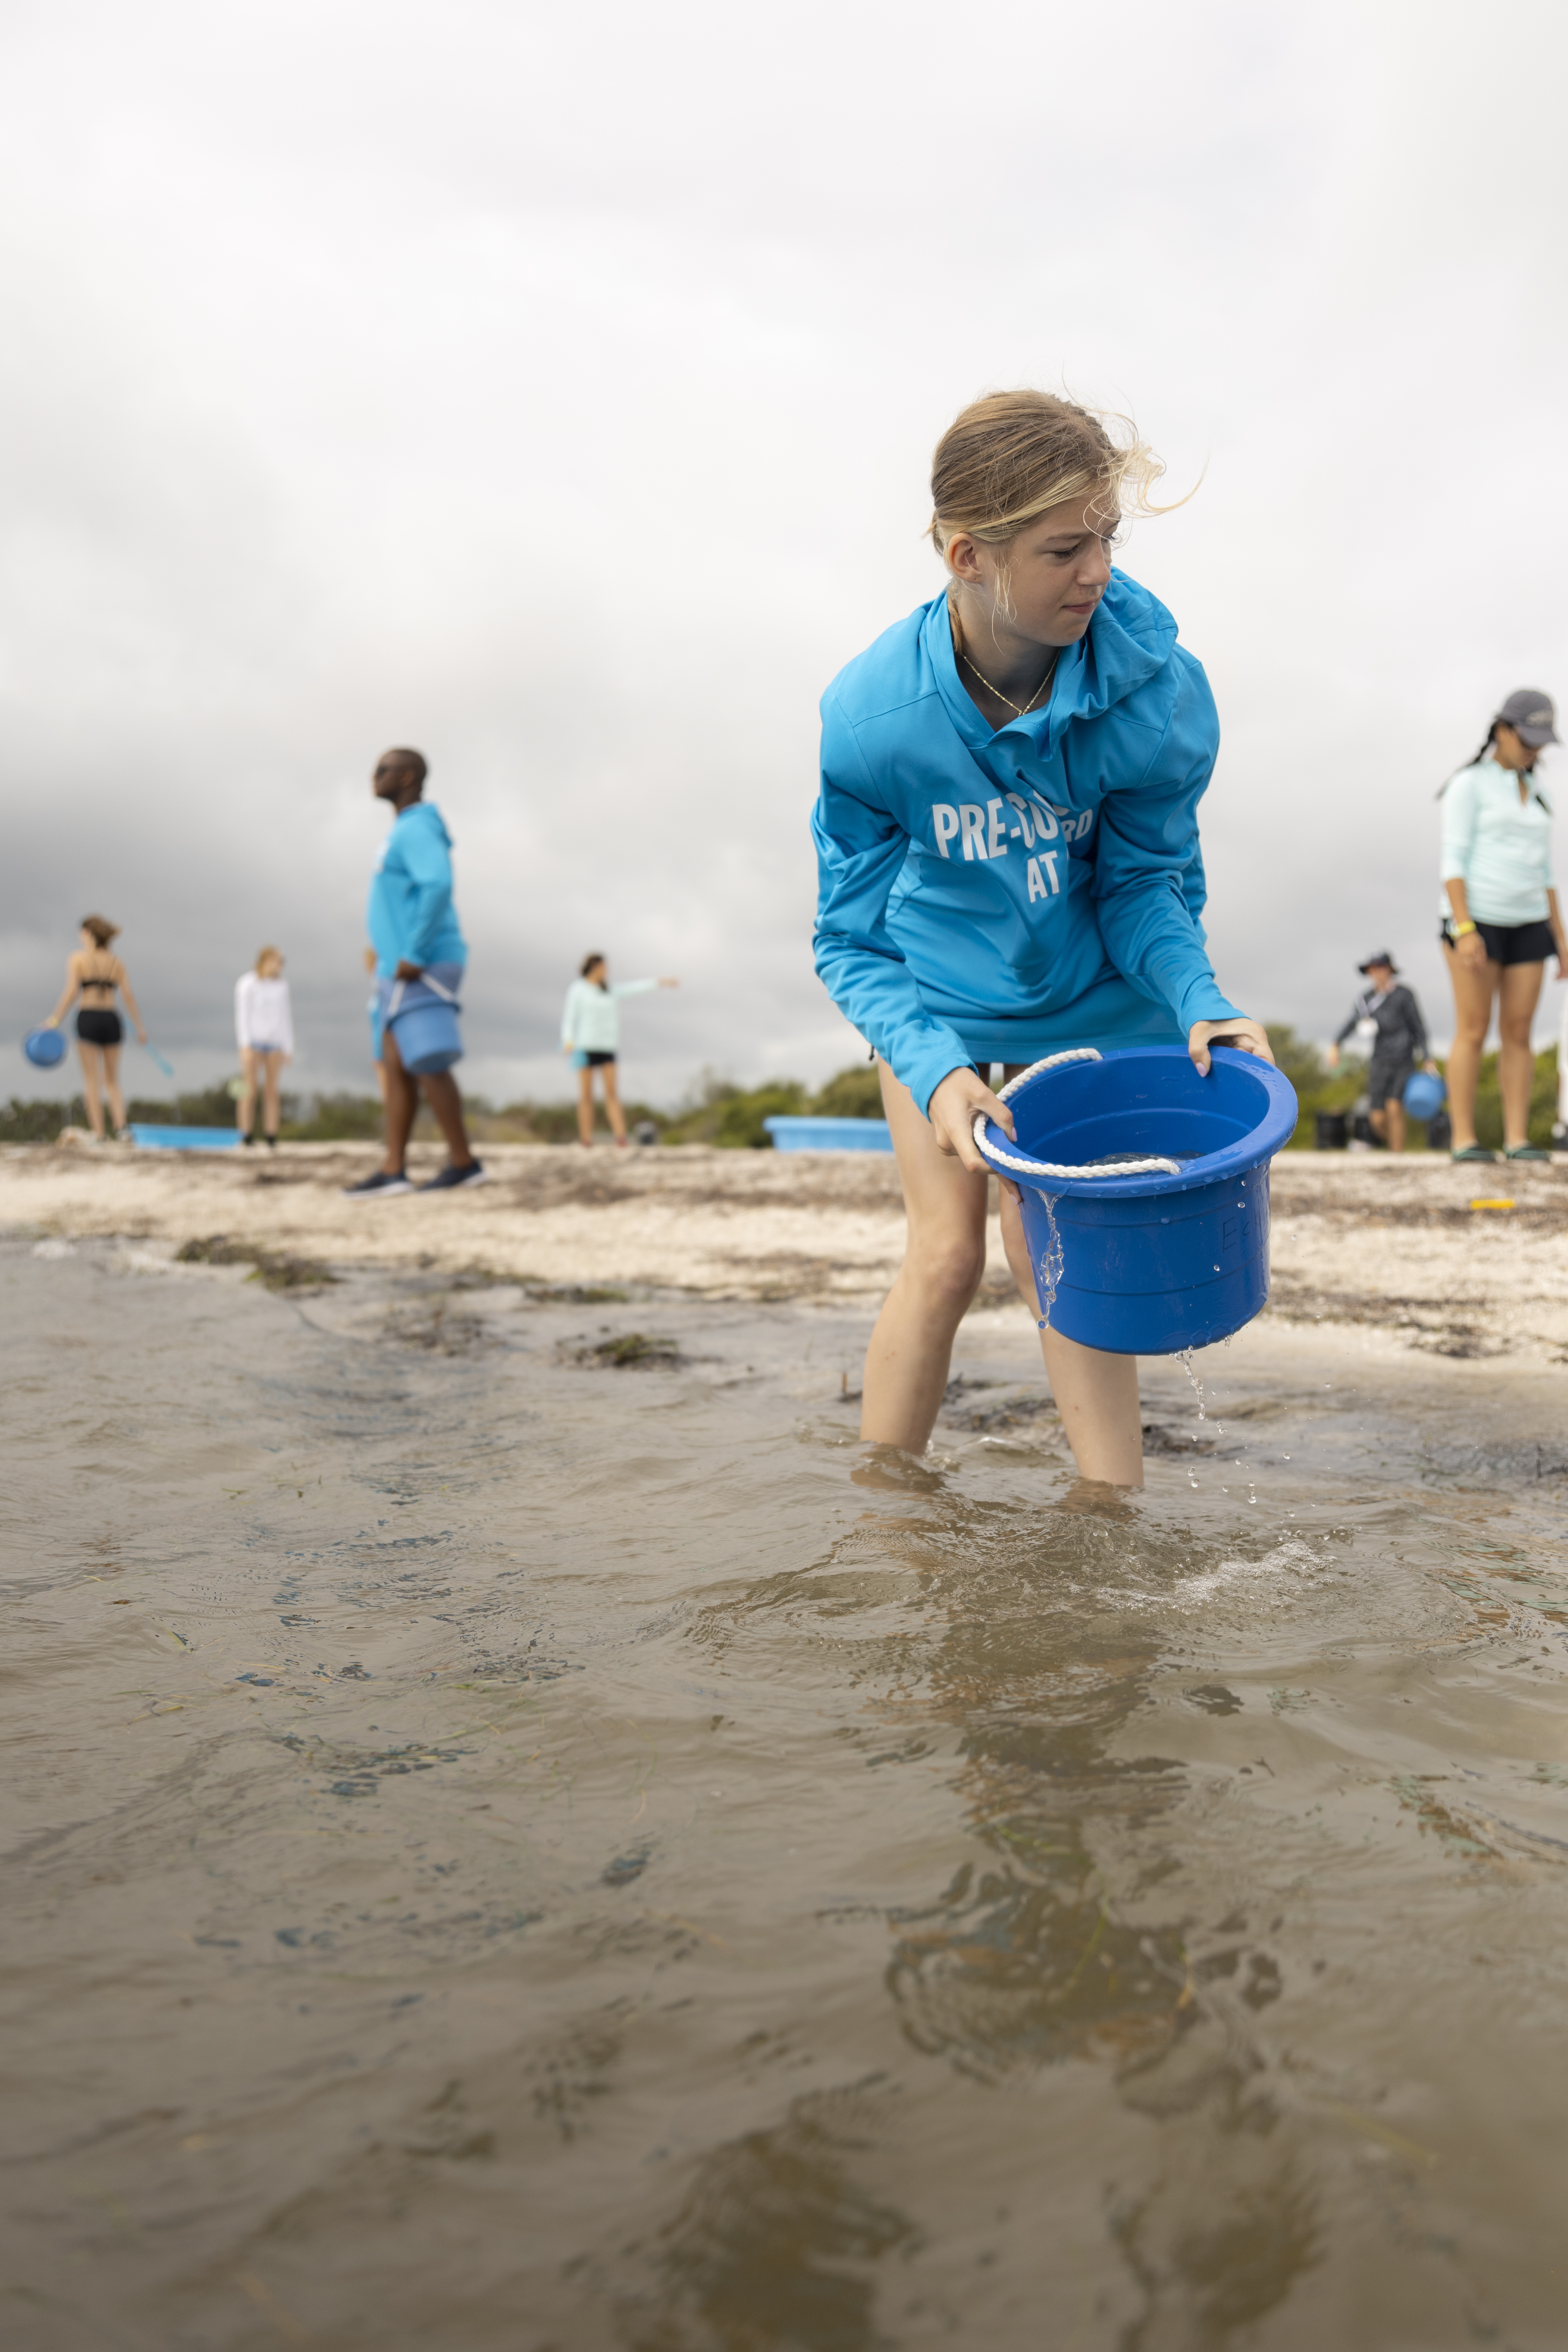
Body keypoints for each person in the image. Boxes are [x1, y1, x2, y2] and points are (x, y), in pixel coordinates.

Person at [812, 390, 1272, 1490]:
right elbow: (852, 943)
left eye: (1108, 538)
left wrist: (1197, 997)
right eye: (1067, 548)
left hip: (1100, 996)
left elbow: (1144, 885)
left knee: (1059, 1259)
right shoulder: (874, 724)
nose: (1100, 572)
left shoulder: (1156, 691)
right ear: (969, 555)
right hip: (941, 1004)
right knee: (947, 1255)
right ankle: (884, 1525)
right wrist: (936, 1073)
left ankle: (1109, 1524)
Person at [345, 747, 486, 1198]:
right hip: (398, 969)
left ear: (407, 778)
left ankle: (463, 1164)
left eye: (382, 770)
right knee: (397, 1061)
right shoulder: (403, 830)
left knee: (427, 1060)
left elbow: (438, 884)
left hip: (419, 965)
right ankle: (394, 1170)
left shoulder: (419, 827)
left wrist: (414, 950)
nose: (374, 776)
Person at [1438, 689, 1566, 1163]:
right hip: (1478, 919)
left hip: (1530, 921)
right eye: (1527, 739)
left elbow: (1546, 873)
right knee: (1473, 1029)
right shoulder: (1469, 784)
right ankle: (1464, 1139)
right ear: (1502, 731)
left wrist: (1561, 937)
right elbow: (1452, 859)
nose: (1534, 750)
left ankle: (1516, 1138)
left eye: (1540, 742)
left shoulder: (1541, 795)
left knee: (1519, 1031)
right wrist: (1465, 927)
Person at [42, 916, 148, 1142]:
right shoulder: (117, 962)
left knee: (92, 1080)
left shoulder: (77, 959)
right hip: (112, 1019)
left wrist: (53, 1021)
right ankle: (122, 1130)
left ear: (90, 934)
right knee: (113, 1081)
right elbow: (128, 996)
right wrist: (140, 1028)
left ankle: (100, 1134)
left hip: (88, 1018)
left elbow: (71, 993)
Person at [560, 956, 679, 1146]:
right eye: (604, 966)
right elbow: (569, 1016)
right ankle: (586, 1139)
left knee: (612, 1093)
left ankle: (621, 1137)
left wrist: (660, 982)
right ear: (595, 967)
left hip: (608, 1046)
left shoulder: (609, 990)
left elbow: (634, 988)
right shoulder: (578, 989)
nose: (607, 970)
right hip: (585, 1046)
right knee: (586, 1095)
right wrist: (568, 1041)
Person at [1325, 954, 1437, 1152]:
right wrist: (1336, 1044)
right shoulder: (1365, 999)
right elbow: (1351, 1023)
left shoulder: (1405, 995)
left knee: (1395, 1107)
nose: (1377, 972)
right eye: (1373, 968)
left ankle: (1397, 1155)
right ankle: (1394, 1145)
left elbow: (1418, 1028)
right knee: (1376, 1116)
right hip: (1379, 1059)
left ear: (1390, 970)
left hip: (1403, 1058)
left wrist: (1427, 1057)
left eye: (1381, 967)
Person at [234, 947, 293, 1147]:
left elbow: (286, 1018)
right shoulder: (246, 984)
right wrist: (244, 1046)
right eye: (278, 960)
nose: (281, 965)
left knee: (272, 1091)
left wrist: (288, 1047)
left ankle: (271, 1135)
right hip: (253, 1043)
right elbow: (242, 1017)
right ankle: (245, 1133)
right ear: (266, 960)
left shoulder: (282, 987)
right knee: (248, 1089)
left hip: (275, 1044)